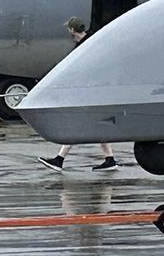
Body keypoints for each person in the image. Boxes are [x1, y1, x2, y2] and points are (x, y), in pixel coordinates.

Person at [37, 18, 120, 171]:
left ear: (73, 30)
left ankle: (59, 160)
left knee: (77, 124)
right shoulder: (91, 42)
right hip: (97, 91)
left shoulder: (87, 46)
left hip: (92, 92)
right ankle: (110, 160)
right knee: (101, 125)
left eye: (69, 29)